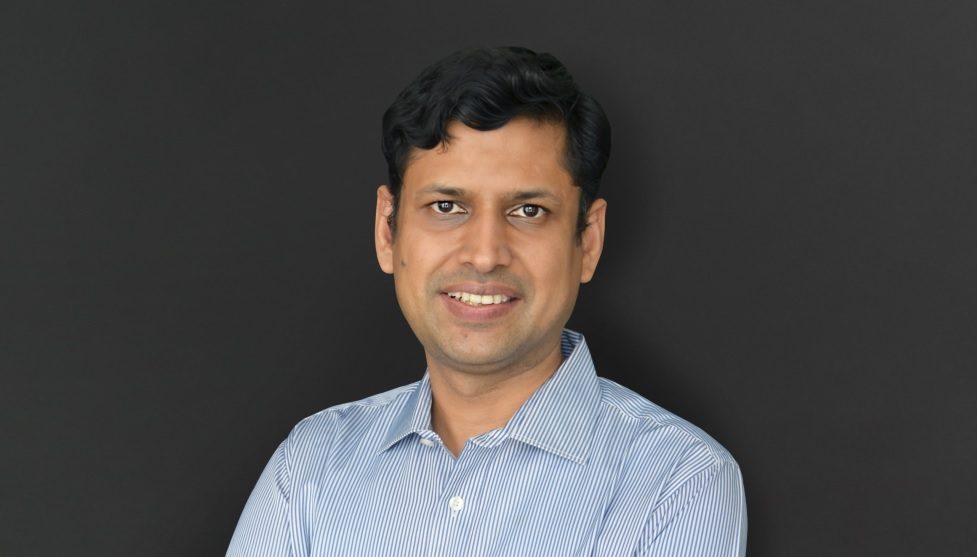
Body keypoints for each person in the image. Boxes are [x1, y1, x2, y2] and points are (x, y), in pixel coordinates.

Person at [226, 46, 746, 556]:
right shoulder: (311, 462)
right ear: (387, 231)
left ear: (588, 241)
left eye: (528, 211)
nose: (484, 255)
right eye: (446, 206)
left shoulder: (677, 482)